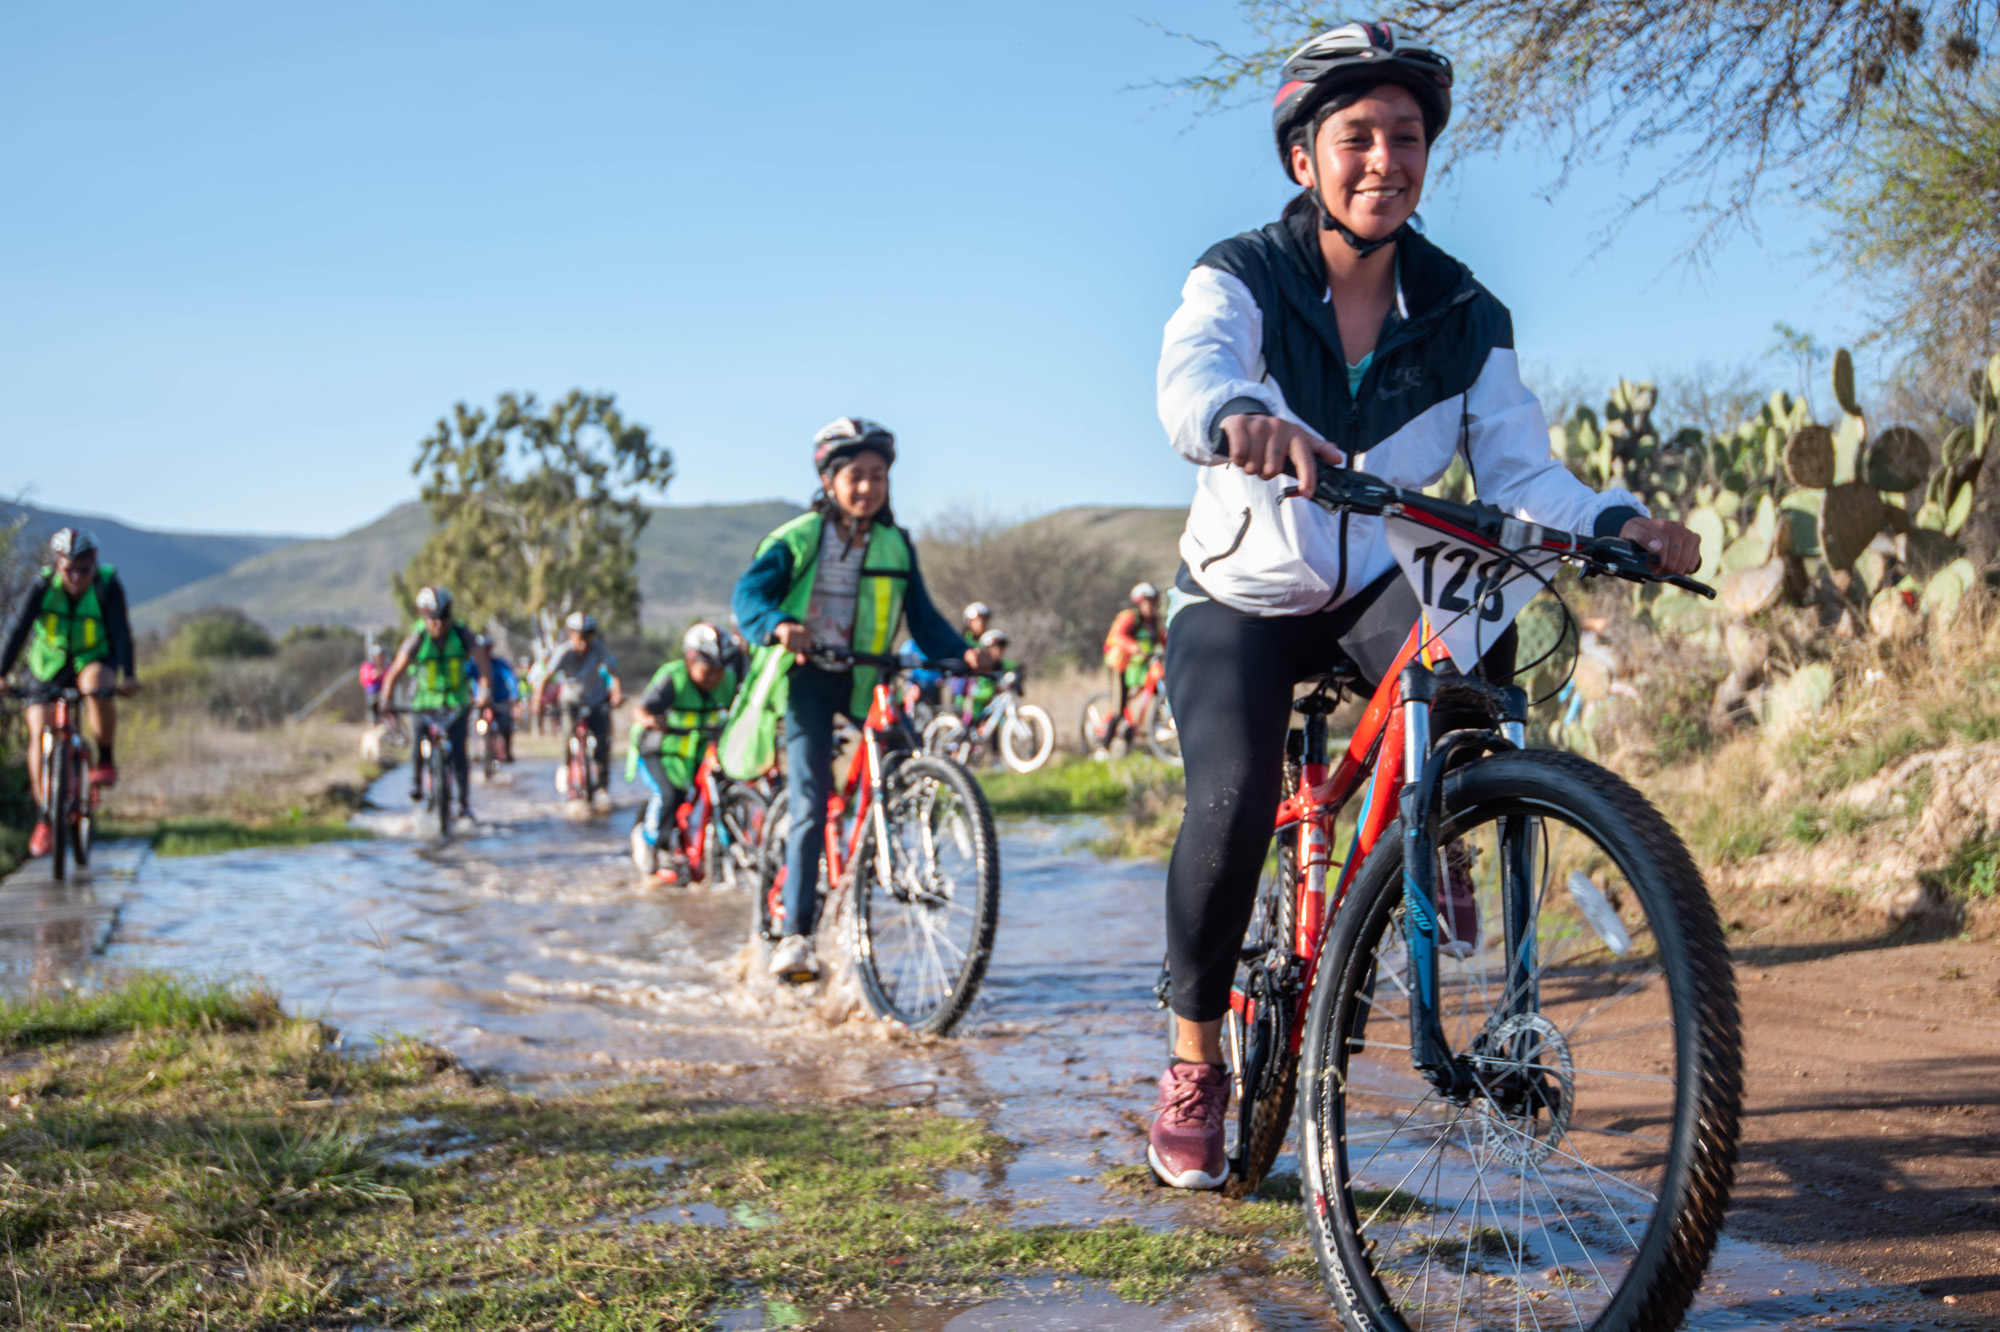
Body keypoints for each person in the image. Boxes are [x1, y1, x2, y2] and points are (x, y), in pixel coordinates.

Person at [1144, 20, 1702, 1191]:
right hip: (1238, 594)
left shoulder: (1462, 309)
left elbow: (1522, 473)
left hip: (1371, 582)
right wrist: (1238, 416)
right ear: (1305, 159)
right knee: (1238, 795)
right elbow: (1194, 368)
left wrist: (1614, 521)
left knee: (1475, 643)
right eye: (1355, 137)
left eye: (1405, 137)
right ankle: (1196, 1057)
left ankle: (1429, 827)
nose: (1381, 160)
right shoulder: (1240, 273)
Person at [724, 416, 979, 983]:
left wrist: (966, 656)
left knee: (910, 767)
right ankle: (795, 936)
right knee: (811, 804)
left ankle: (886, 859)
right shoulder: (798, 538)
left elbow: (925, 619)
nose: (868, 487)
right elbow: (750, 595)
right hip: (808, 676)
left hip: (867, 677)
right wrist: (778, 623)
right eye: (856, 476)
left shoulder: (895, 542)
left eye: (879, 477)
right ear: (830, 480)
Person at [0, 528, 141, 856]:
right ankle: (45, 818)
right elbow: (19, 628)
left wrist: (130, 675)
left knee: (95, 688)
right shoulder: (42, 585)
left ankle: (104, 758)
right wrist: (2, 673)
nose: (76, 576)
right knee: (39, 731)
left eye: (84, 569)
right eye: (69, 569)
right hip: (48, 663)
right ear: (57, 565)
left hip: (93, 656)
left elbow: (121, 630)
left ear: (94, 563)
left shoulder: (107, 584)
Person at [628, 622, 741, 880]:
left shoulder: (729, 681)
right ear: (690, 662)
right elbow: (641, 708)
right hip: (659, 751)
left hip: (699, 754)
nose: (714, 677)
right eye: (707, 670)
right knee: (669, 796)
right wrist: (649, 720)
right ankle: (651, 842)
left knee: (723, 787)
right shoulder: (673, 677)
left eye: (719, 670)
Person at [374, 585, 493, 820]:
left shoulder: (462, 635)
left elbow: (483, 665)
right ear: (424, 617)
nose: (437, 625)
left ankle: (463, 803)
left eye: (442, 618)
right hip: (424, 701)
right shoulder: (417, 638)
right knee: (419, 738)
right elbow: (396, 670)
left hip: (456, 701)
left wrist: (485, 692)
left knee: (459, 749)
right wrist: (385, 699)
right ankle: (416, 783)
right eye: (432, 619)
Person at [546, 612, 623, 795]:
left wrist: (617, 693)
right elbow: (546, 677)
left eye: (588, 636)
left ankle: (603, 784)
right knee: (567, 732)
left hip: (595, 699)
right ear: (570, 634)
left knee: (603, 739)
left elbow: (613, 671)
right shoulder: (563, 651)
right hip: (570, 700)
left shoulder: (598, 649)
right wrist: (537, 702)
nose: (584, 641)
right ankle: (564, 768)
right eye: (579, 636)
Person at [1100, 583, 1164, 746]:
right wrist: (1134, 647)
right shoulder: (1129, 617)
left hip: (1139, 667)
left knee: (1158, 690)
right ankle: (1104, 747)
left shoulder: (1154, 623)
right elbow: (1117, 635)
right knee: (1119, 707)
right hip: (1120, 666)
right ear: (1139, 603)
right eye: (1147, 603)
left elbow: (1164, 640)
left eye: (1153, 603)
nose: (1151, 607)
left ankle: (1152, 731)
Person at [477, 636, 519, 763]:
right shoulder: (473, 665)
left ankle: (507, 750)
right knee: (475, 723)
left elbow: (510, 680)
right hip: (480, 703)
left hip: (500, 701)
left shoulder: (500, 664)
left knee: (506, 725)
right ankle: (477, 750)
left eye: (487, 648)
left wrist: (515, 696)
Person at [358, 643, 386, 715]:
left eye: (380, 656)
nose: (379, 658)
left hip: (384, 693)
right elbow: (370, 678)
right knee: (374, 712)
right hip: (373, 693)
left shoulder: (385, 666)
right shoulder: (367, 666)